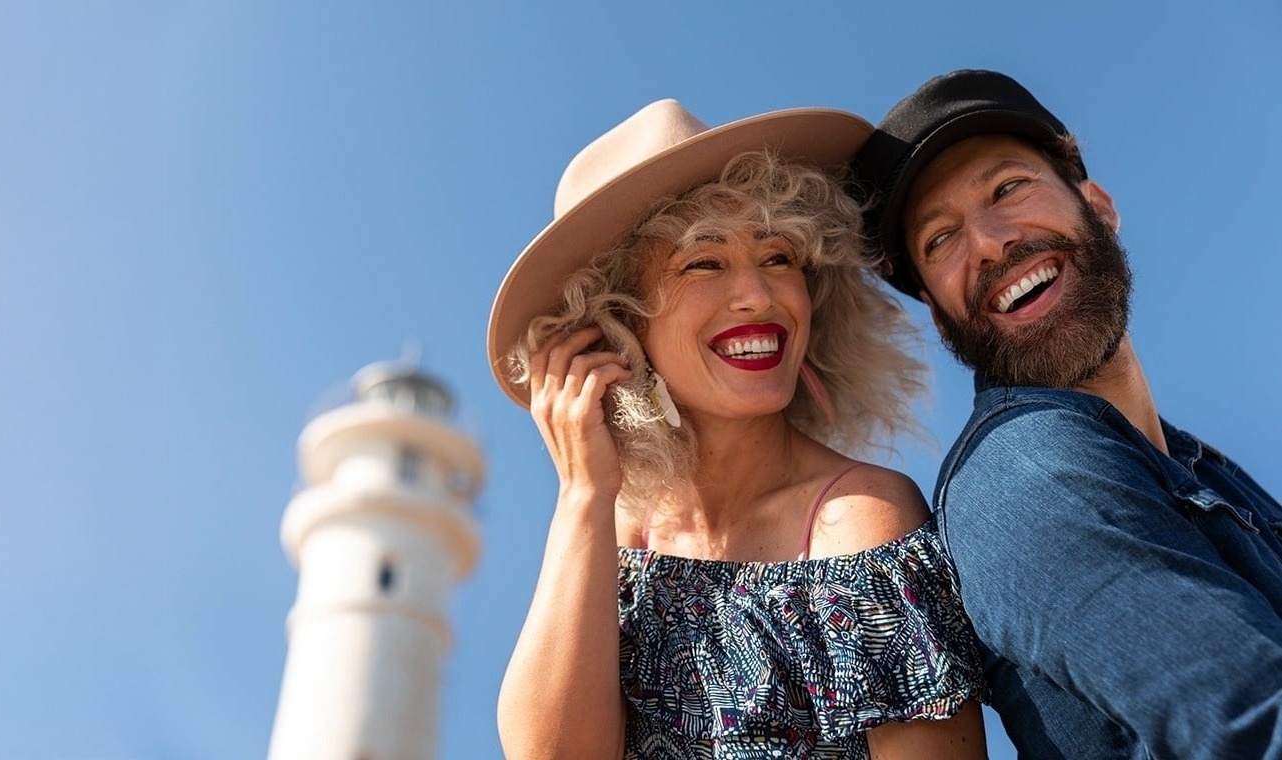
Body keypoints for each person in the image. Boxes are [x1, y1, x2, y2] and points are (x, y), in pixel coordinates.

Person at [487, 99, 989, 759]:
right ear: (615, 325)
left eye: (778, 257)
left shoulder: (859, 518)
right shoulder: (606, 537)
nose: (758, 294)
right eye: (703, 262)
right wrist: (581, 494)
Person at [851, 69, 1282, 758]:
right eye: (939, 239)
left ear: (1098, 206)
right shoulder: (1027, 474)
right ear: (937, 316)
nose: (989, 243)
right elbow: (1253, 728)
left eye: (1006, 189)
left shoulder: (1190, 463)